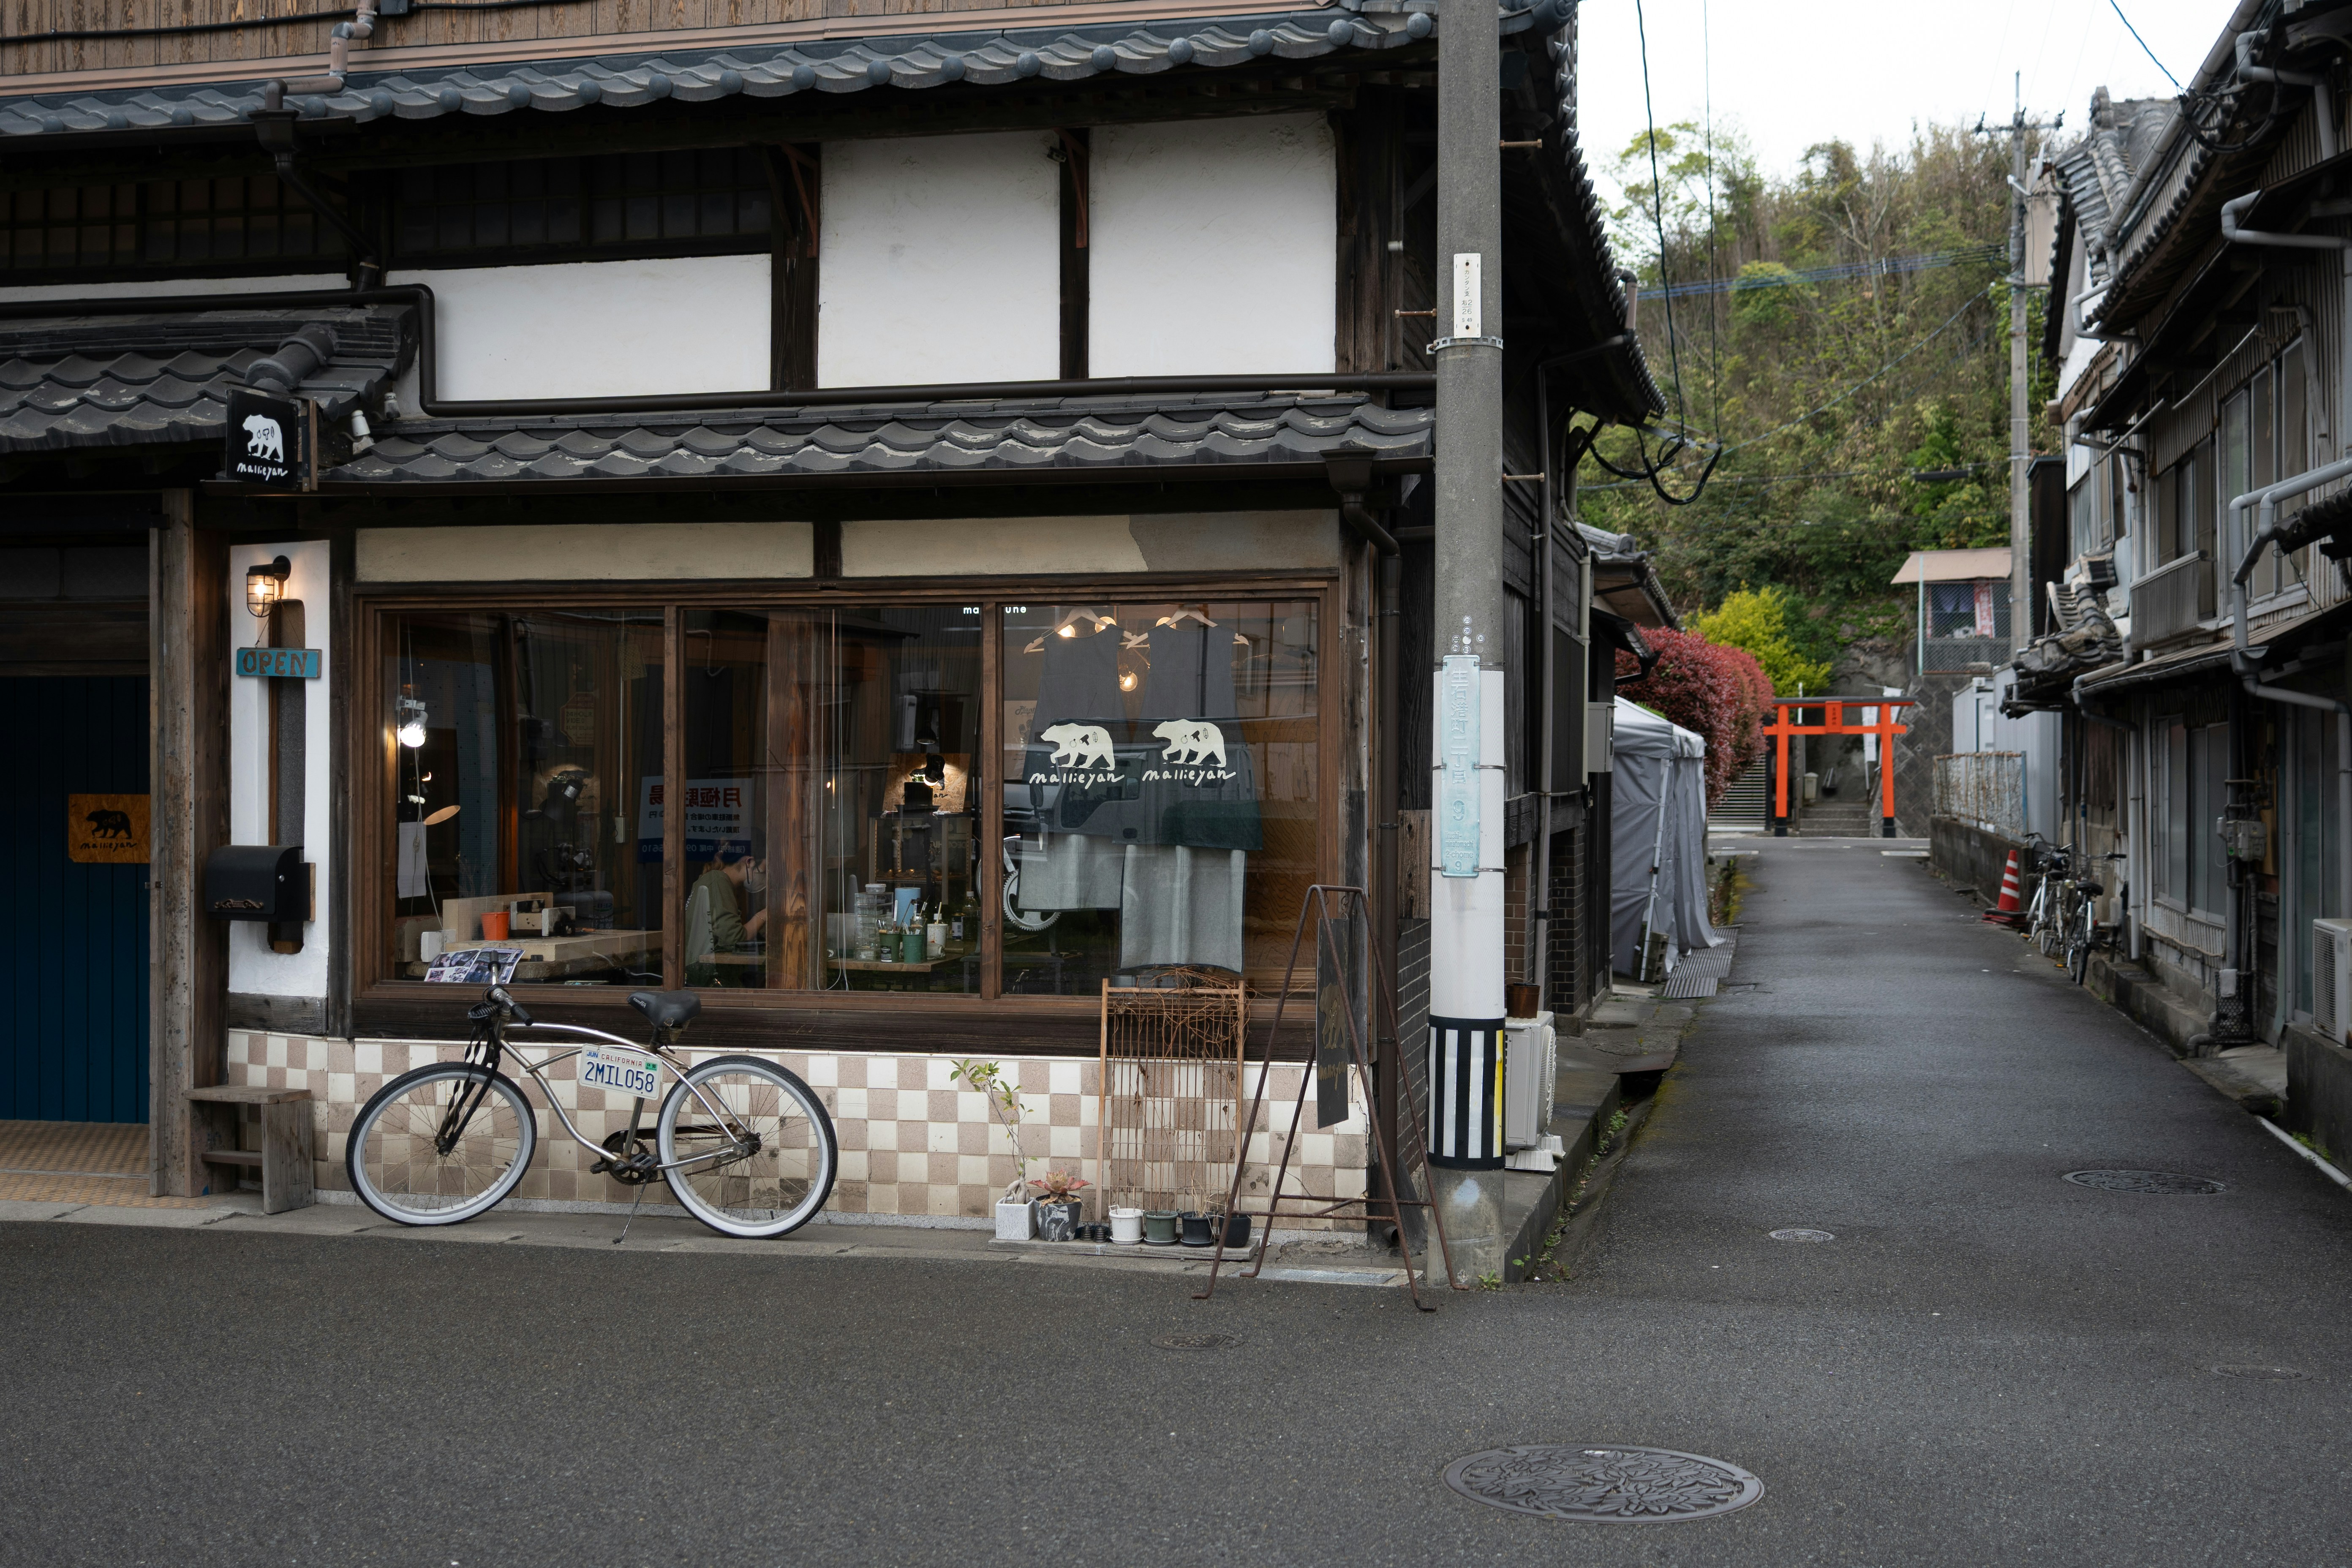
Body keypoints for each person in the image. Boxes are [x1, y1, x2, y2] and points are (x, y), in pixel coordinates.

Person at [684, 841, 766, 987]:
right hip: (708, 979)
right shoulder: (718, 881)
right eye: (765, 870)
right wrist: (765, 915)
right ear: (750, 862)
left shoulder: (714, 879)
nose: (766, 877)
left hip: (700, 975)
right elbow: (734, 939)